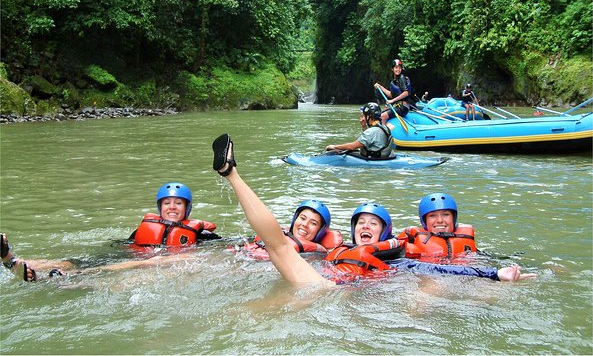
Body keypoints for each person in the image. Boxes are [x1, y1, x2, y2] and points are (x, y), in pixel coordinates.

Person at [212, 134, 537, 287]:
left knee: (278, 246)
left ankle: (233, 174)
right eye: (361, 223)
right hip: (317, 280)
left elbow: (437, 271)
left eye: (373, 225)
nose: (365, 228)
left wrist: (491, 273)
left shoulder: (394, 257)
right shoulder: (332, 249)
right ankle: (231, 174)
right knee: (277, 245)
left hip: (331, 292)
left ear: (386, 234)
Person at [1, 182, 220, 281]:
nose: (172, 207)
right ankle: (12, 260)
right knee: (75, 260)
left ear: (187, 209)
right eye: (167, 203)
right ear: (160, 208)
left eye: (178, 204)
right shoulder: (141, 230)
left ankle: (58, 278)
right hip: (131, 256)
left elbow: (224, 247)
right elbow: (125, 245)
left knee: (142, 264)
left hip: (149, 262)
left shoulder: (201, 234)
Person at [238, 200, 343, 259]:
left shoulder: (315, 256)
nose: (305, 224)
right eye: (302, 218)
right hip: (241, 254)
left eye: (313, 223)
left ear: (320, 232)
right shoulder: (281, 233)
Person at [397, 193, 477, 261]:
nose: (439, 220)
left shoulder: (467, 243)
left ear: (454, 218)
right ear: (424, 221)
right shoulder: (411, 243)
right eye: (432, 216)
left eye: (445, 214)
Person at [324, 102, 393, 158]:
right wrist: (364, 127)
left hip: (373, 158)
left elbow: (352, 146)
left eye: (364, 116)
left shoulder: (371, 132)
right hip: (380, 155)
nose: (363, 118)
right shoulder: (384, 127)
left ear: (368, 117)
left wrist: (334, 146)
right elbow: (371, 141)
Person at [373, 58, 412, 123]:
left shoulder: (401, 78)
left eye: (399, 68)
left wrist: (392, 101)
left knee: (383, 116)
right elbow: (391, 95)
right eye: (396, 68)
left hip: (403, 107)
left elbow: (406, 92)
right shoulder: (394, 81)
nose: (398, 70)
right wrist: (380, 87)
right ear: (392, 69)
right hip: (397, 106)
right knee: (378, 116)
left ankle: (384, 133)